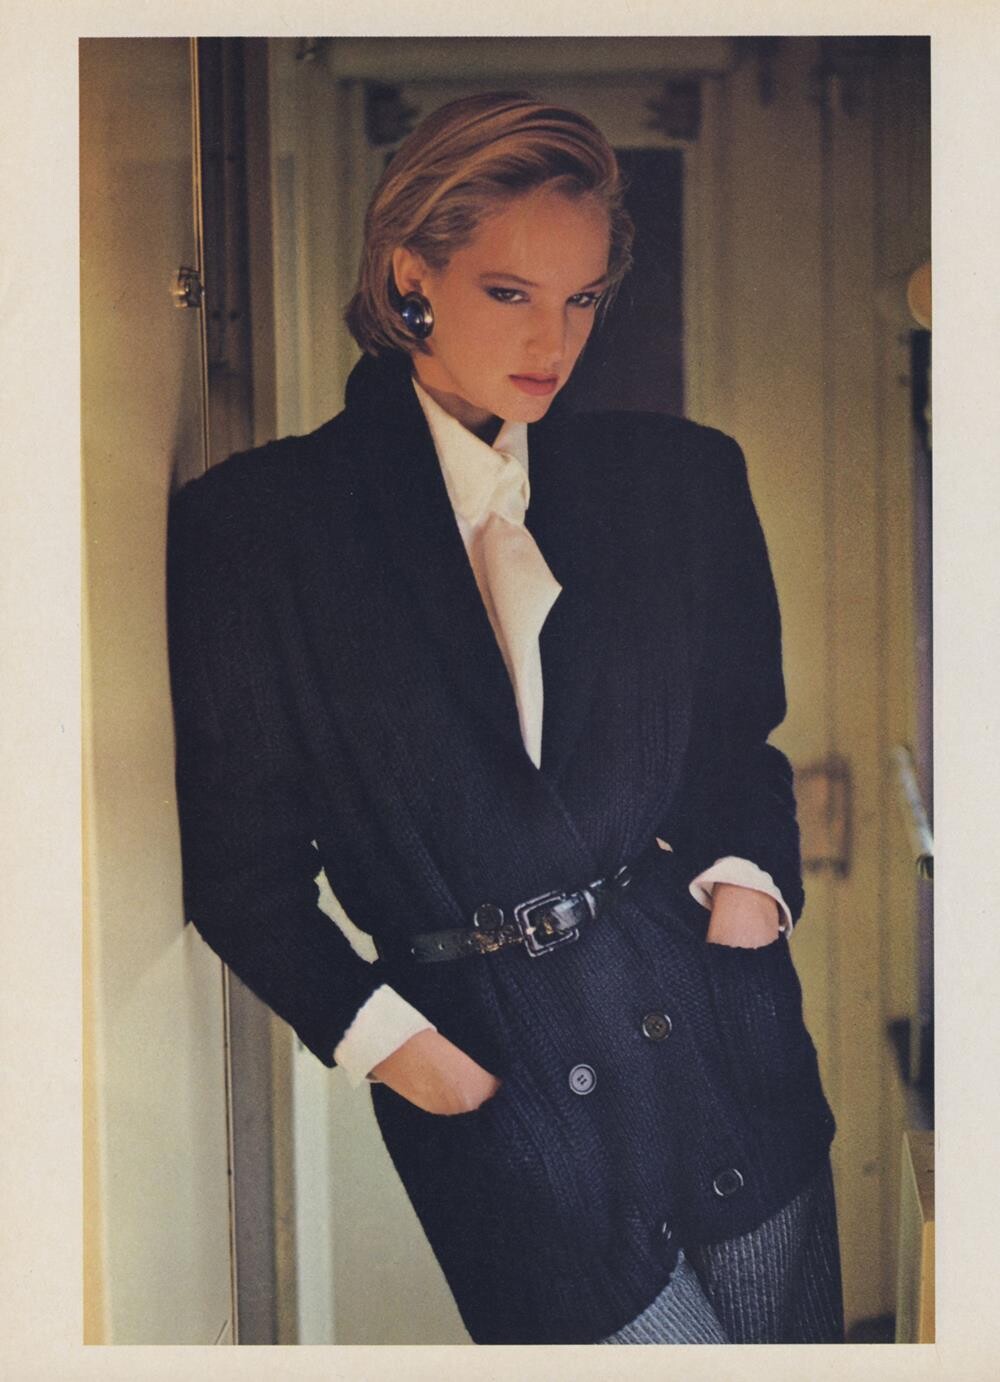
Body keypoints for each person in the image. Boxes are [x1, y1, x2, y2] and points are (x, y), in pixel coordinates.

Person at [167, 92, 843, 1345]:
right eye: (509, 291)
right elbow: (239, 871)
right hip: (501, 1087)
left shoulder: (682, 481)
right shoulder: (260, 530)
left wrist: (748, 899)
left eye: (581, 297)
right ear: (408, 276)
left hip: (714, 1037)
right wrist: (394, 1045)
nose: (553, 338)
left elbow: (735, 747)